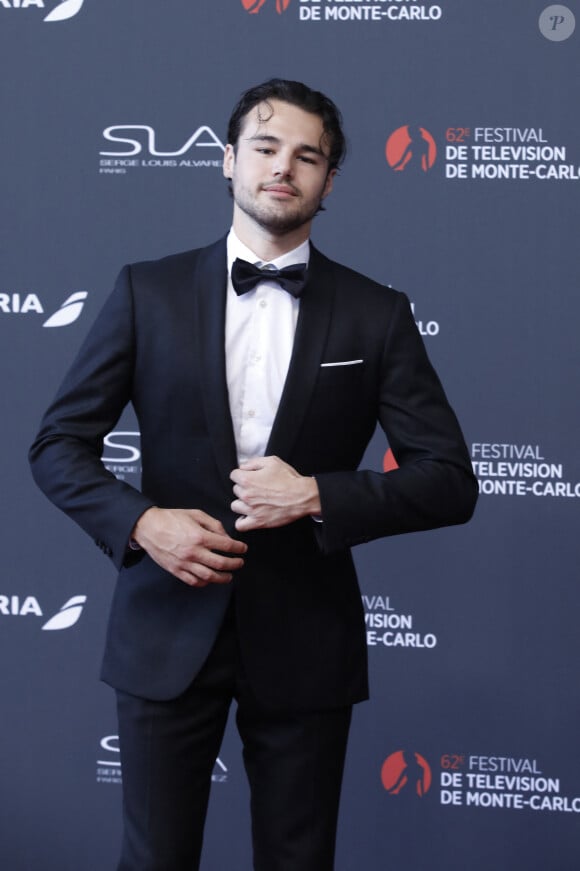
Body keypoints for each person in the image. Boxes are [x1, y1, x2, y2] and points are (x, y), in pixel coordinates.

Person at [29, 78, 478, 871]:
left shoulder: (378, 313)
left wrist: (318, 495)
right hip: (164, 629)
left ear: (330, 180)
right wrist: (141, 522)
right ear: (229, 159)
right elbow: (57, 444)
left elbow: (450, 478)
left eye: (309, 156)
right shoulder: (148, 290)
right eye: (267, 148)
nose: (284, 168)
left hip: (308, 636)